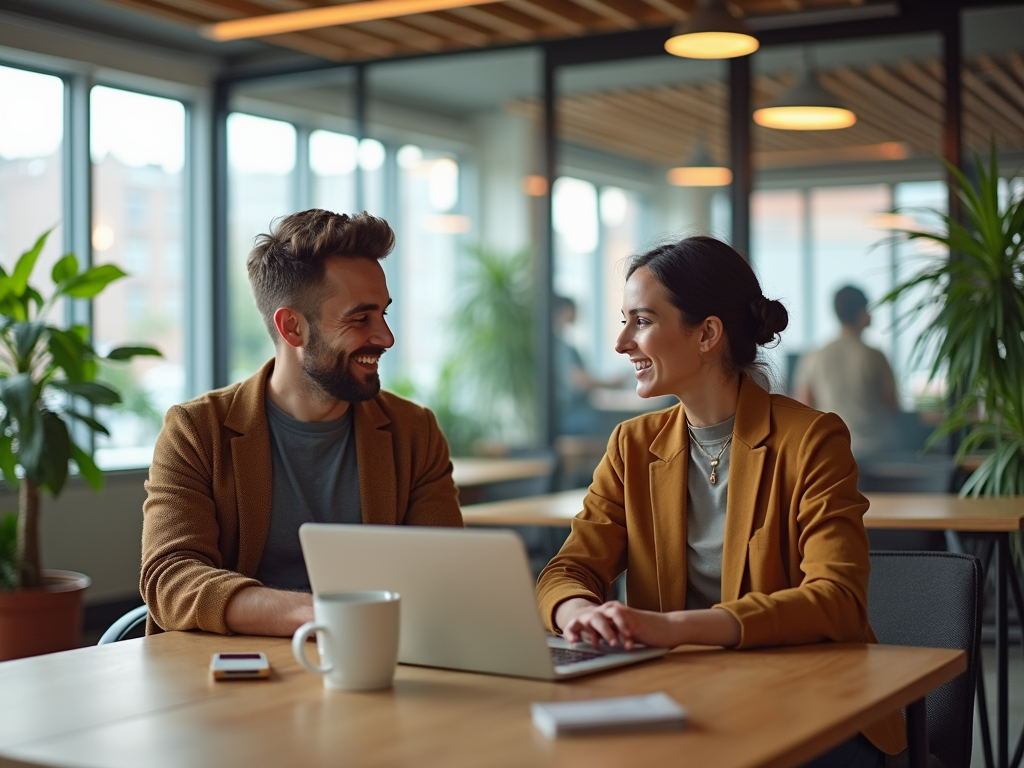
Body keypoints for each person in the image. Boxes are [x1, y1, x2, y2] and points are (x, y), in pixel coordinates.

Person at [536, 237, 905, 765]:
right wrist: (579, 613)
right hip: (680, 699)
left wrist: (671, 629)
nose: (621, 343)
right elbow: (567, 569)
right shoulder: (631, 446)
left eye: (641, 321)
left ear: (707, 333)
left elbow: (838, 599)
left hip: (808, 704)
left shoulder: (812, 439)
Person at [141, 210, 463, 637]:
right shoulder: (197, 431)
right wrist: (318, 614)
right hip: (231, 677)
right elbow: (171, 577)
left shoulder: (413, 431)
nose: (385, 337)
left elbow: (445, 575)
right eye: (360, 318)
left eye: (384, 314)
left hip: (376, 664)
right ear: (292, 327)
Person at [793, 285, 899, 459]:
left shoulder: (813, 357)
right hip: (877, 452)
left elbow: (805, 409)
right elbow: (891, 405)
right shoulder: (875, 356)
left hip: (832, 450)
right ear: (863, 312)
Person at [553, 295, 623, 435]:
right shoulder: (559, 346)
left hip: (573, 411)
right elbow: (578, 380)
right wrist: (612, 384)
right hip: (572, 413)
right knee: (614, 425)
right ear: (566, 310)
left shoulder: (558, 344)